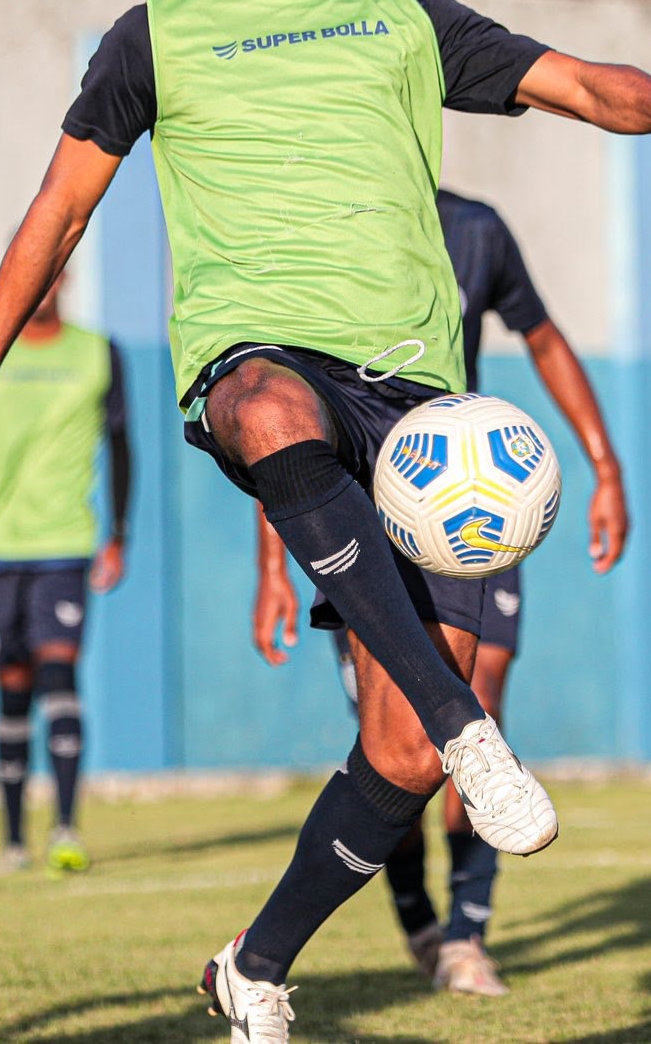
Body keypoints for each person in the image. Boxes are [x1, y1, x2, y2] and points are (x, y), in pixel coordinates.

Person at [0, 0, 651, 1043]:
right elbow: (56, 210)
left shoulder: (397, 20)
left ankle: (255, 965)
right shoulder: (150, 37)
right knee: (269, 406)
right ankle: (469, 725)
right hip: (255, 357)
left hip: (416, 411)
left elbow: (576, 81)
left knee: (393, 758)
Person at [251, 186, 630, 997]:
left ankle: (466, 936)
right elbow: (280, 419)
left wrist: (605, 465)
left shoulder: (477, 229)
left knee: (476, 703)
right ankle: (420, 918)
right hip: (359, 512)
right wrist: (269, 570)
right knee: (397, 743)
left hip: (478, 508)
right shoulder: (330, 222)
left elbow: (546, 337)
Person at [0, 273, 130, 876]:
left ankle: (65, 828)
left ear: (64, 276)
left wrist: (118, 535)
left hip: (65, 543)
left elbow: (123, 445)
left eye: (51, 271)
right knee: (12, 686)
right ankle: (13, 840)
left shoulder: (98, 352)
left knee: (58, 673)